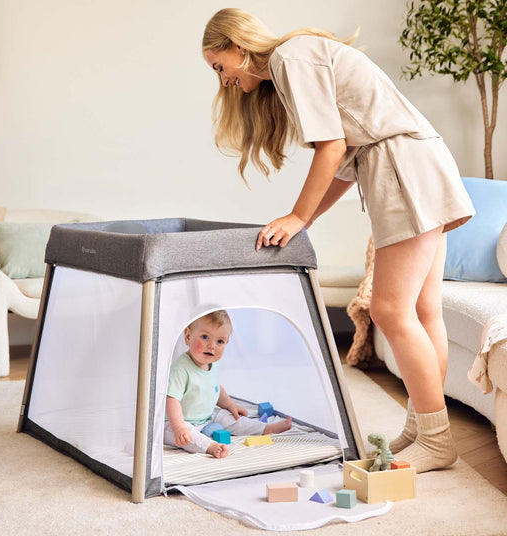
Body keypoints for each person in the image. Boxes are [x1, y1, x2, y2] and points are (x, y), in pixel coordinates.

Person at [202, 8, 475, 473]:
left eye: (218, 66)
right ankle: (424, 426)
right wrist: (302, 221)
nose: (222, 79)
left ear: (237, 47)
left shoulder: (290, 57)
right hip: (419, 160)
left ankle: (436, 438)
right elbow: (343, 164)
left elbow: (330, 148)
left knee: (390, 309)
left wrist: (298, 215)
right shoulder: (299, 59)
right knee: (424, 311)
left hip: (403, 167)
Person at [164, 310, 292, 458]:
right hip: (176, 422)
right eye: (205, 337)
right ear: (188, 336)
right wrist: (179, 427)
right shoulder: (181, 369)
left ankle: (265, 429)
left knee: (228, 417)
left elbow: (215, 388)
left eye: (220, 341)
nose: (212, 346)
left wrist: (230, 405)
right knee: (188, 436)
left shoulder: (212, 363)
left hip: (206, 417)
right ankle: (211, 447)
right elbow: (171, 399)